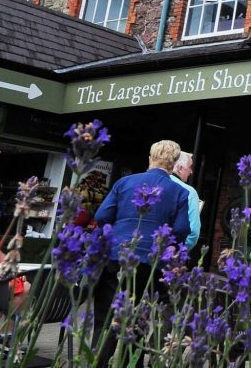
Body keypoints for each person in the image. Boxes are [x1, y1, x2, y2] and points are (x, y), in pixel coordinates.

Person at [92, 140, 192, 366]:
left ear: (150, 158)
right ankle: (130, 362)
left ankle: (98, 362)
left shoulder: (124, 183)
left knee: (106, 318)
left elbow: (101, 217)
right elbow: (182, 229)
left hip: (116, 256)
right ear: (175, 163)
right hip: (150, 261)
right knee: (137, 320)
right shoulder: (179, 191)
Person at [170, 151, 201, 250]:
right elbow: (193, 233)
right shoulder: (190, 192)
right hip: (171, 252)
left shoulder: (155, 183)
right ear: (180, 168)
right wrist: (179, 251)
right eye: (190, 167)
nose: (191, 171)